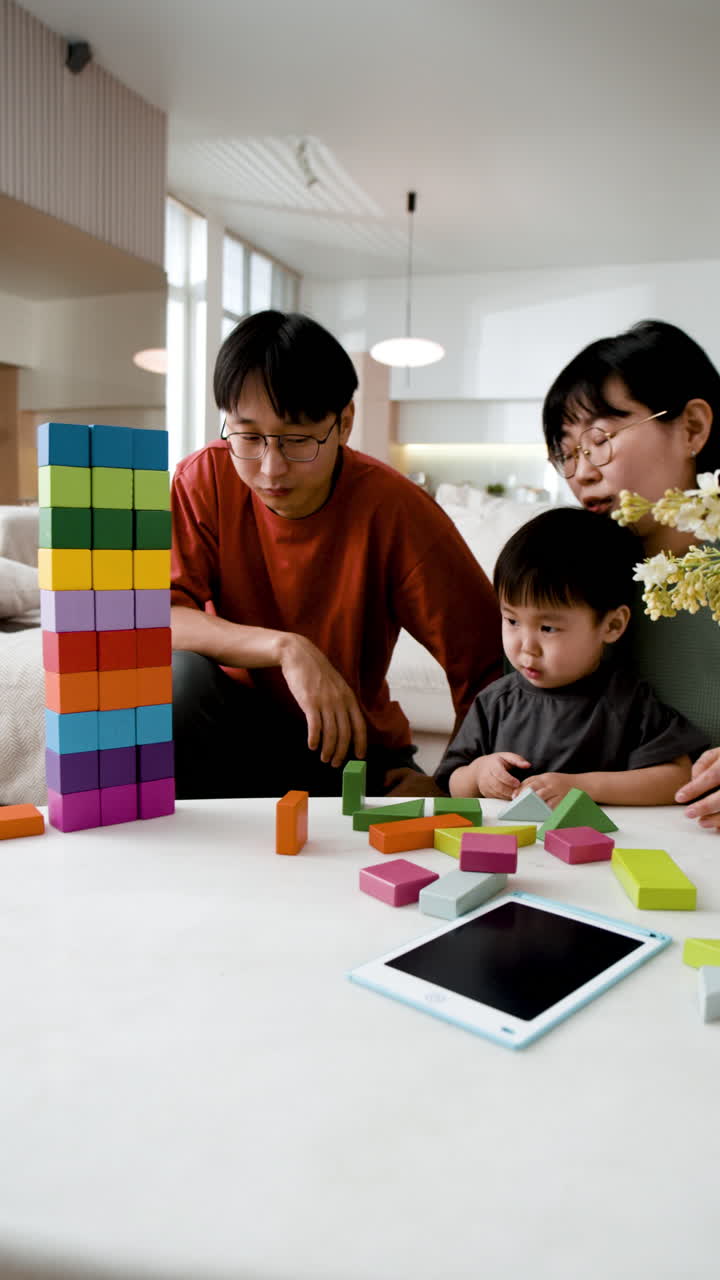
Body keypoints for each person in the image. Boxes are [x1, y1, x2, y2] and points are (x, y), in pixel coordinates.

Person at [170, 310, 503, 799]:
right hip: (233, 736)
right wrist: (287, 649)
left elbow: (486, 662)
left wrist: (450, 778)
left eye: (298, 439)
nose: (270, 468)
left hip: (348, 748)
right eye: (248, 437)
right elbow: (158, 617)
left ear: (344, 422)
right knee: (179, 678)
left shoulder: (396, 508)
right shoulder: (202, 480)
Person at [542, 318, 720, 831]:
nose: (583, 472)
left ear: (691, 428)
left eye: (599, 439)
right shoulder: (568, 580)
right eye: (567, 452)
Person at [435, 508, 708, 803]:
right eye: (512, 621)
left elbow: (677, 776)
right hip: (512, 844)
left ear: (612, 625)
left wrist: (581, 787)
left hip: (600, 845)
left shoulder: (625, 702)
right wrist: (478, 774)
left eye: (548, 628)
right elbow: (452, 781)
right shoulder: (495, 703)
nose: (526, 646)